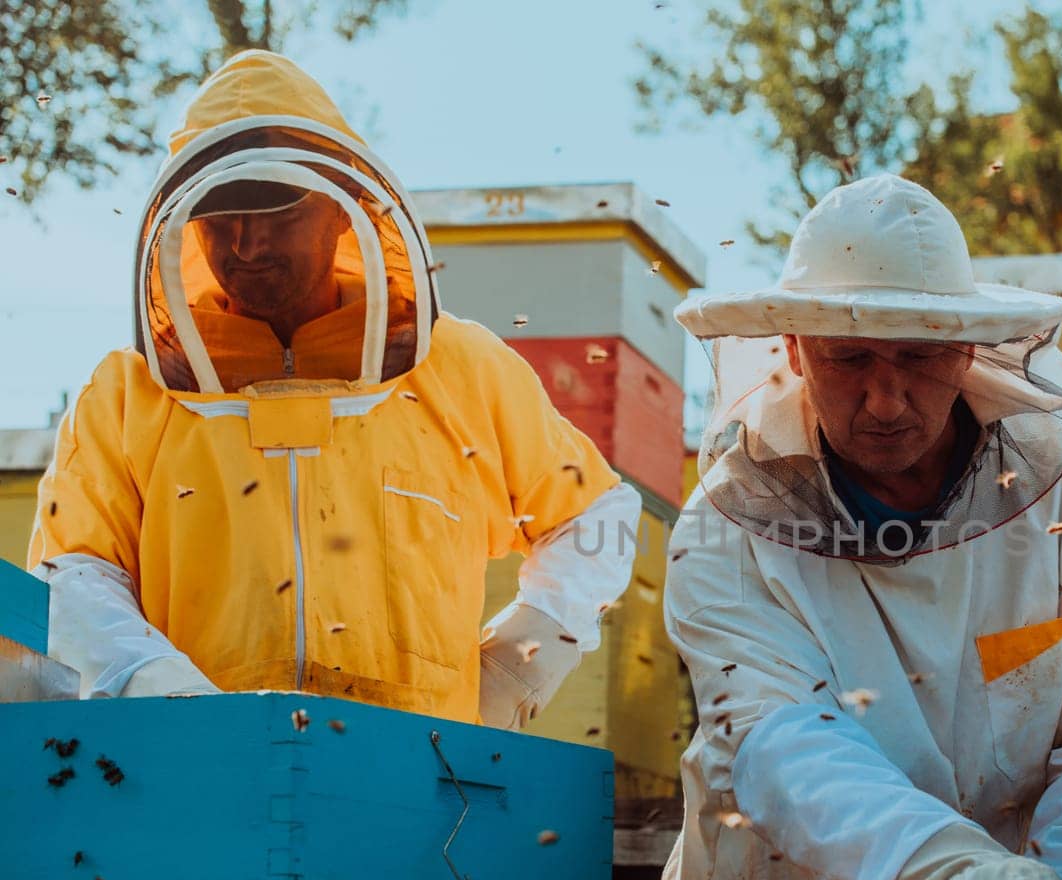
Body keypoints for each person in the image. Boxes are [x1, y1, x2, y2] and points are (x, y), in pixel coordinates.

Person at [662, 174, 1062, 880]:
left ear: (970, 350)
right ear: (792, 347)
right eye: (851, 360)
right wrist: (953, 871)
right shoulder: (724, 527)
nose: (887, 400)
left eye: (921, 358)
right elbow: (784, 747)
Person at [28, 50, 639, 728]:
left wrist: (521, 658)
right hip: (198, 774)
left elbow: (595, 514)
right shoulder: (126, 395)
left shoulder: (459, 367)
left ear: (341, 212)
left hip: (425, 778)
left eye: (277, 214)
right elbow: (72, 571)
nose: (248, 244)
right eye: (220, 219)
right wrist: (154, 683)